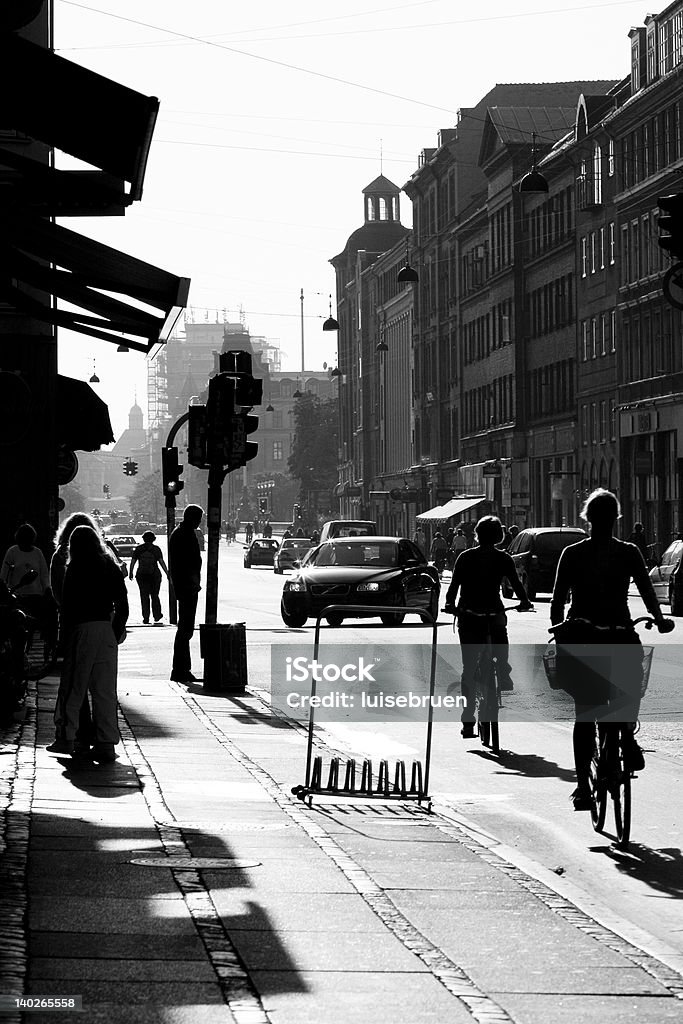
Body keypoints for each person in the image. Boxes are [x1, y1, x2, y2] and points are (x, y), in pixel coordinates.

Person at [550, 489, 673, 811]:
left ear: (587, 520)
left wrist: (558, 629)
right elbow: (647, 591)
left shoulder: (573, 554)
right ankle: (628, 738)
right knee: (630, 689)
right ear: (616, 519)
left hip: (583, 636)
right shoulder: (629, 552)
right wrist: (659, 620)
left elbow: (558, 598)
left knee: (585, 714)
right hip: (620, 633)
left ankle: (581, 788)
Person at [444, 515, 533, 737]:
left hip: (469, 616)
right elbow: (516, 584)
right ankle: (503, 670)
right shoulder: (503, 559)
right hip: (494, 613)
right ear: (498, 537)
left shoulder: (465, 557)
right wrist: (524, 601)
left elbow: (453, 587)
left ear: (477, 534)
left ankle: (467, 719)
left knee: (469, 667)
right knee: (501, 638)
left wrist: (449, 605)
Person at [47, 525, 129, 762]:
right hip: (105, 627)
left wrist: (63, 639)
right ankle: (106, 743)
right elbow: (122, 602)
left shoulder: (75, 567)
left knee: (73, 686)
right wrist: (115, 631)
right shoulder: (108, 565)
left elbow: (68, 605)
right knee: (104, 690)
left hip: (81, 628)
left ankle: (66, 738)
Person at [169, 504, 204, 683]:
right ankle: (180, 669)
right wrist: (192, 582)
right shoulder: (184, 534)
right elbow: (187, 562)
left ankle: (182, 668)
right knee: (185, 628)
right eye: (199, 518)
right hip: (186, 586)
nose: (200, 522)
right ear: (193, 518)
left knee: (185, 628)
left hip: (186, 585)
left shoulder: (181, 532)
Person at [1, 523, 54, 637]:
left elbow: (44, 574)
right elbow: (4, 574)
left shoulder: (37, 553)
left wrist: (46, 589)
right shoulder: (12, 552)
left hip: (35, 596)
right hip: (17, 597)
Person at [129, 531, 169, 625]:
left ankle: (146, 617)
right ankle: (157, 615)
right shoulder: (156, 549)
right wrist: (167, 573)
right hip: (154, 575)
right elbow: (161, 562)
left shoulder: (139, 549)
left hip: (142, 575)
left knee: (144, 596)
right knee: (155, 595)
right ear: (153, 539)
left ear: (143, 539)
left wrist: (131, 572)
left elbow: (133, 561)